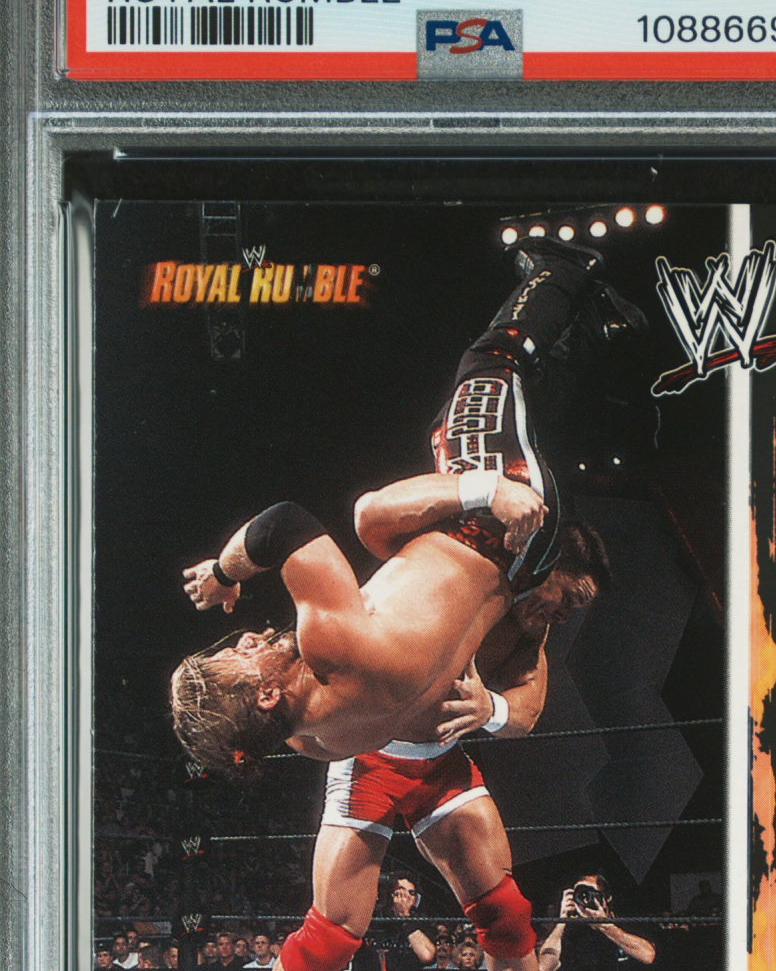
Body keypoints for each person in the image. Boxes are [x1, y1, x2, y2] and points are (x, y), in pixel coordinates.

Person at [171, 238, 632, 772]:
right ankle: (566, 268)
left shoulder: (326, 743)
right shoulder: (330, 649)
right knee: (490, 364)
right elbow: (282, 524)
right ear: (268, 697)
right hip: (494, 519)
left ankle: (597, 326)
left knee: (479, 428)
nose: (247, 639)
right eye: (238, 656)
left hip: (521, 571)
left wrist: (490, 710)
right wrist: (224, 573)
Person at [223, 518, 615, 971]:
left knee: (508, 916)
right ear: (545, 567)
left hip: (440, 762)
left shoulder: (528, 626)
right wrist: (479, 494)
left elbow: (527, 711)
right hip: (369, 757)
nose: (565, 613)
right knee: (331, 936)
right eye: (569, 596)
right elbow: (371, 514)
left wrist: (492, 709)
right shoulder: (459, 565)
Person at [538, 873, 656, 971]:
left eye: (591, 894)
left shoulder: (626, 923)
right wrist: (562, 921)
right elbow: (545, 967)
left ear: (607, 898)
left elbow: (648, 955)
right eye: (580, 895)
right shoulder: (572, 931)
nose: (585, 900)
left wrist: (604, 926)